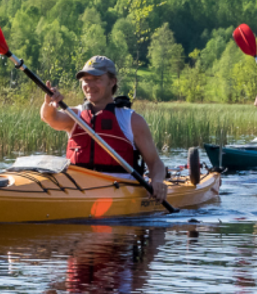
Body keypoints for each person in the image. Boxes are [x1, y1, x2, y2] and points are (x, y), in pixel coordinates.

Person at [40, 56, 167, 202]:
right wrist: (49, 104)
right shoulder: (75, 115)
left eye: (97, 79)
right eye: (86, 80)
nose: (90, 85)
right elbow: (50, 118)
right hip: (75, 188)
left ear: (112, 82)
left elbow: (155, 163)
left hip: (119, 192)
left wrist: (157, 181)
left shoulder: (132, 120)